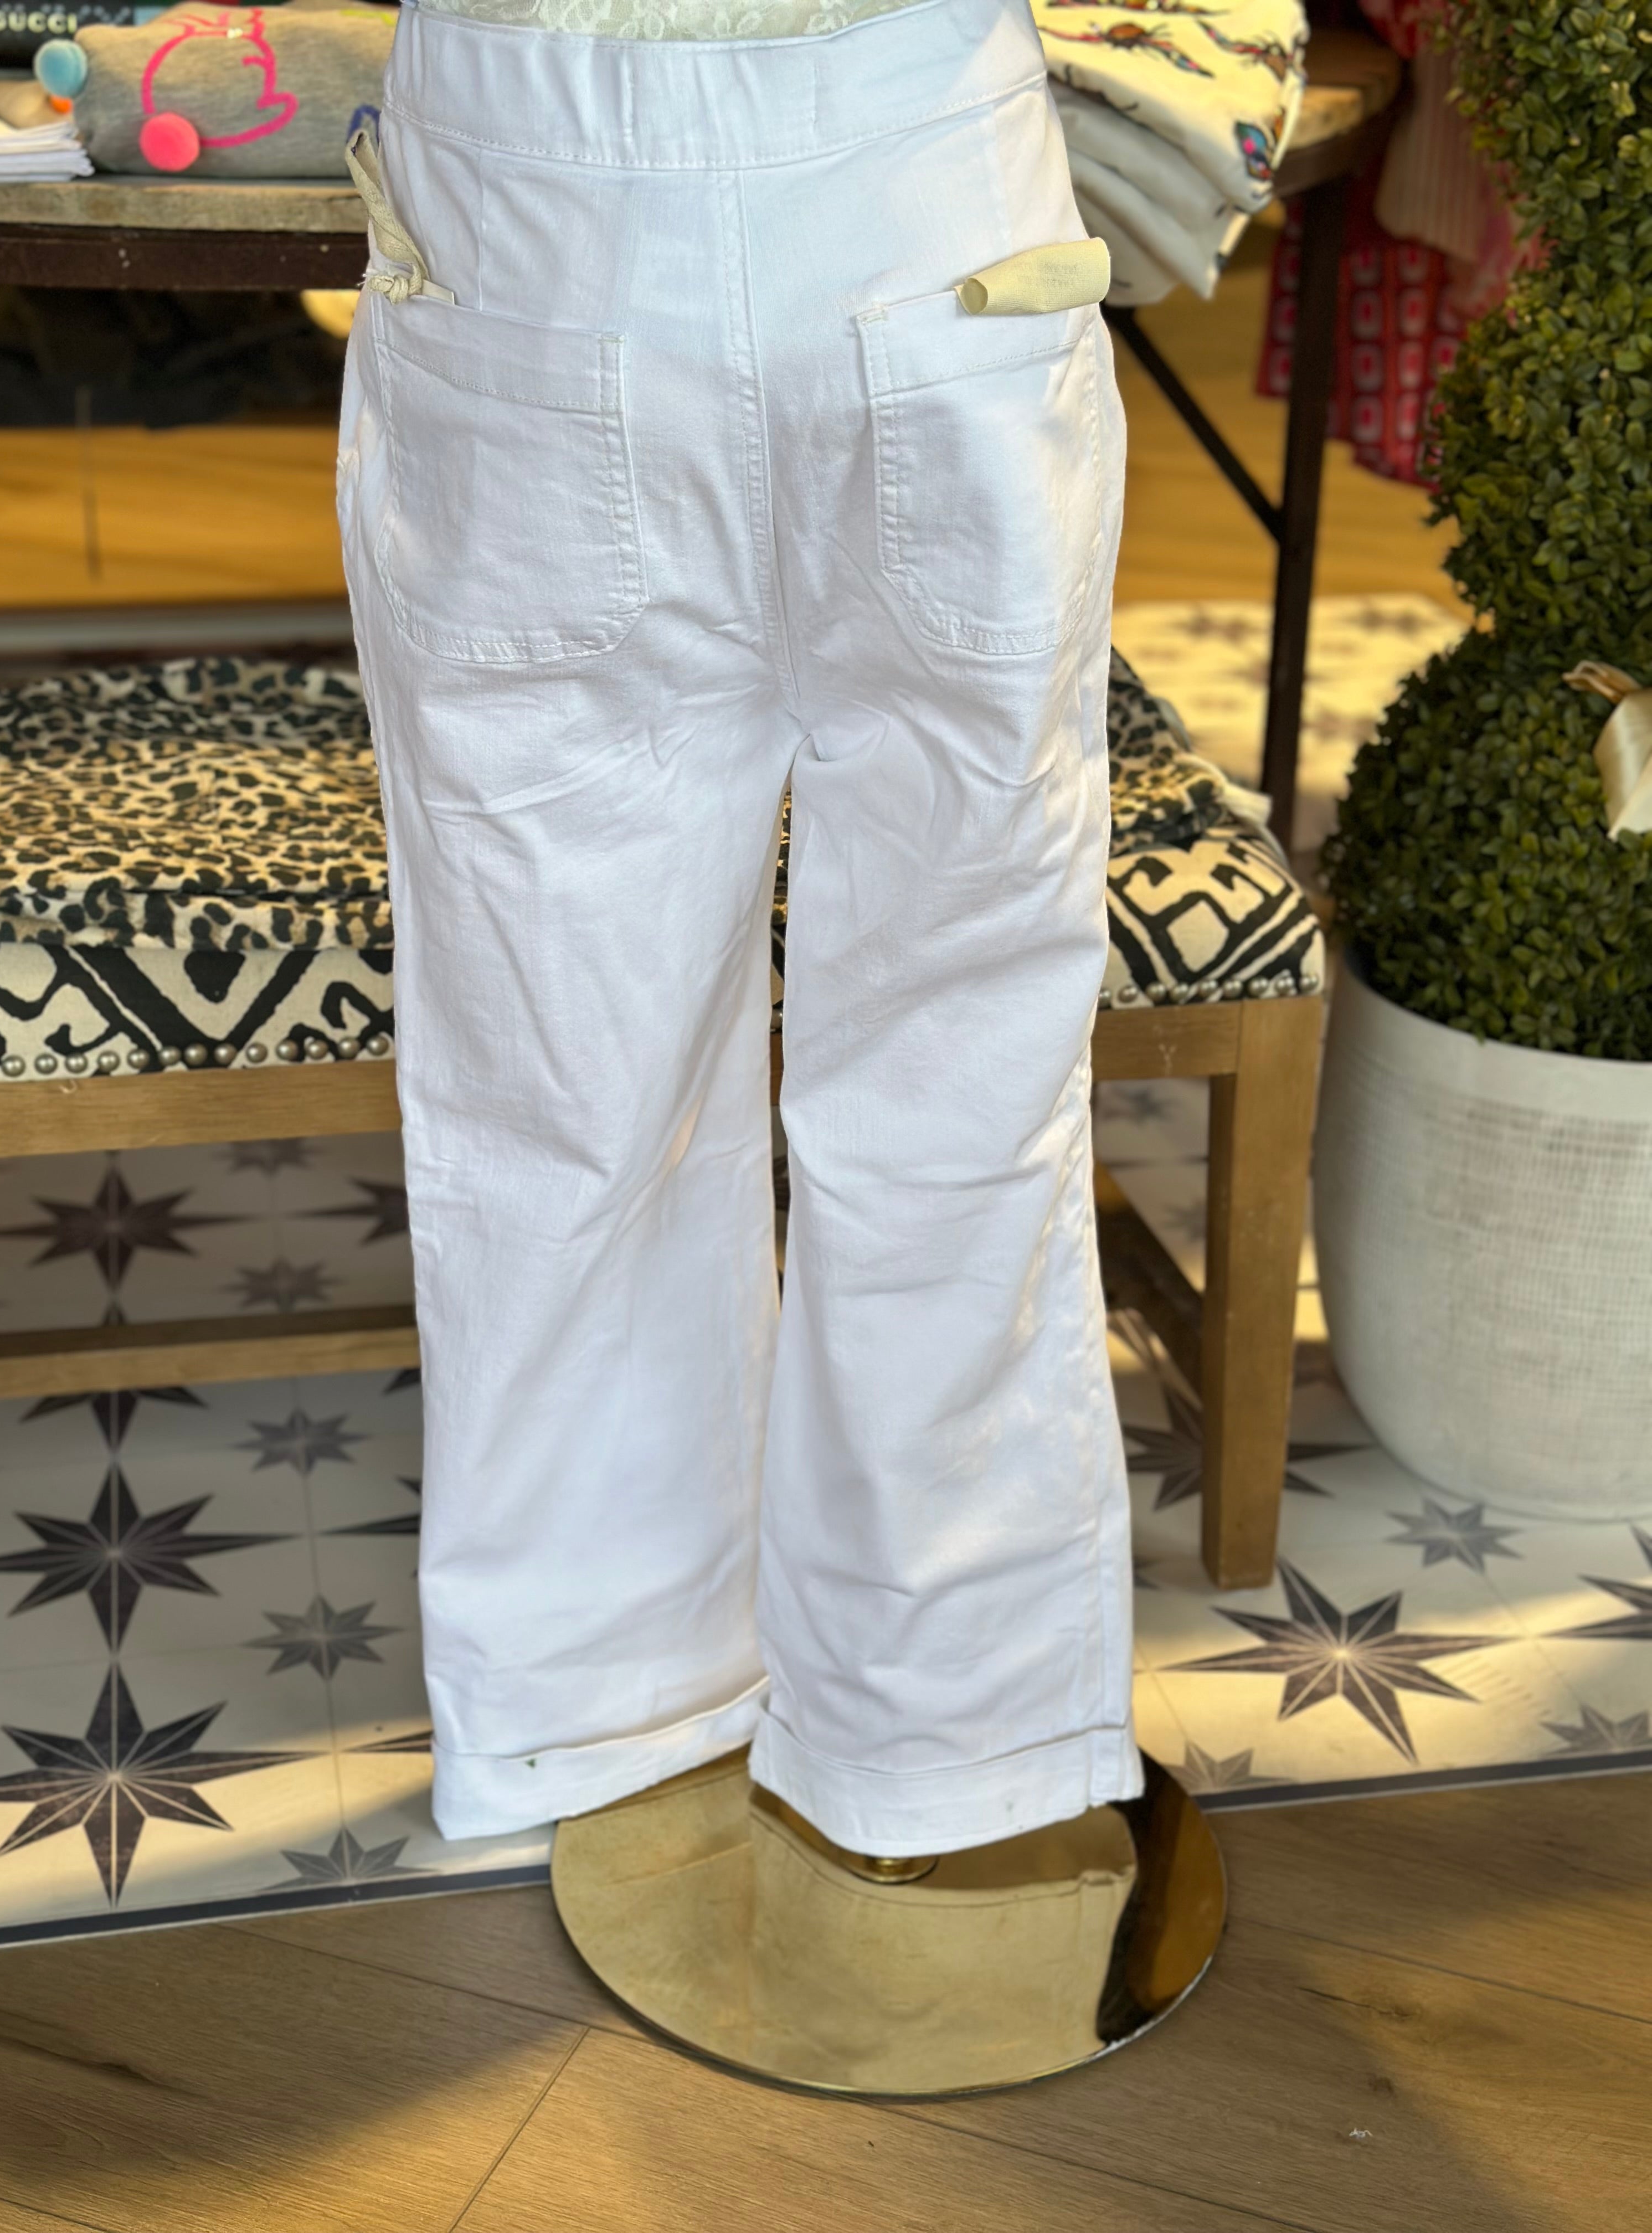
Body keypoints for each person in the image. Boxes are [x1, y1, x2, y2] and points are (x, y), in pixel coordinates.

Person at [337, 0, 1141, 1864]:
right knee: (958, 1063)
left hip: (529, 206)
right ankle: (951, 1732)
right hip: (928, 189)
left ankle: (592, 1710)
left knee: (561, 1081)